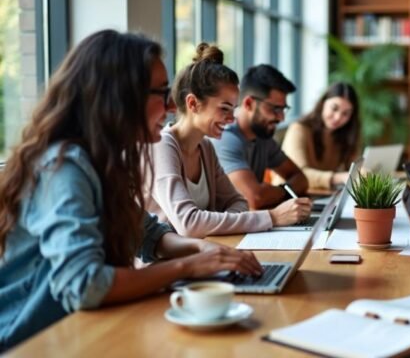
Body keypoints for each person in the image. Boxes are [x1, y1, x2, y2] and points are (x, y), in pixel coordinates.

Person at [0, 30, 263, 351]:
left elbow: (149, 234)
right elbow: (87, 285)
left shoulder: (103, 161)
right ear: (121, 96)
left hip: (80, 331)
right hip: (30, 342)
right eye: (161, 93)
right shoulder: (63, 167)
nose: (170, 105)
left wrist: (202, 251)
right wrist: (186, 266)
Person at [146, 43, 311, 238]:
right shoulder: (162, 146)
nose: (231, 119)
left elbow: (239, 202)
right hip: (165, 265)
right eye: (224, 108)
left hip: (204, 255)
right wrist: (272, 217)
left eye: (233, 109)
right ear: (193, 104)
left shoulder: (205, 147)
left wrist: (215, 222)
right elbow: (189, 224)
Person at [211, 64, 309, 209]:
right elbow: (255, 199)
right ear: (249, 103)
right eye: (275, 108)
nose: (281, 118)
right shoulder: (225, 138)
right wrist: (284, 191)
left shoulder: (263, 138)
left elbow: (301, 179)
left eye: (283, 109)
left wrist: (273, 191)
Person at [276, 82, 360, 190]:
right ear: (323, 103)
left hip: (317, 194)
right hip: (287, 197)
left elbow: (354, 166)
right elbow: (299, 175)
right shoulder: (299, 129)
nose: (338, 117)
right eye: (334, 108)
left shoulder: (342, 135)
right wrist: (340, 177)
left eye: (346, 113)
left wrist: (362, 173)